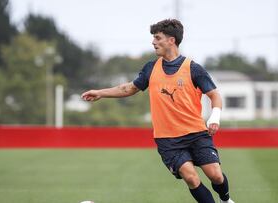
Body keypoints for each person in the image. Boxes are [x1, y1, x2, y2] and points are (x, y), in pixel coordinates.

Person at [81, 19, 234, 203]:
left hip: (197, 133)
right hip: (168, 139)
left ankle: (225, 199)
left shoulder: (193, 68)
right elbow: (128, 88)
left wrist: (214, 117)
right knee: (191, 177)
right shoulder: (150, 68)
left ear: (171, 40)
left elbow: (215, 95)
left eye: (157, 37)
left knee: (216, 175)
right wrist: (100, 93)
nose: (153, 42)